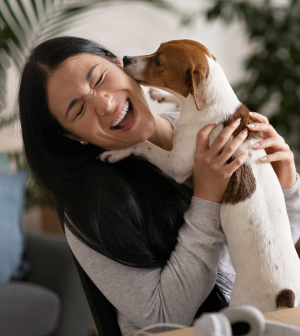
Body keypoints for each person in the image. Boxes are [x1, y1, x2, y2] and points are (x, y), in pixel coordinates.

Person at [18, 36, 300, 335]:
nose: (105, 103)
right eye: (78, 110)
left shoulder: (213, 127)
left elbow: (267, 254)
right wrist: (206, 201)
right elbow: (162, 316)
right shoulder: (92, 206)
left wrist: (286, 186)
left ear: (119, 63)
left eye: (99, 79)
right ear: (73, 137)